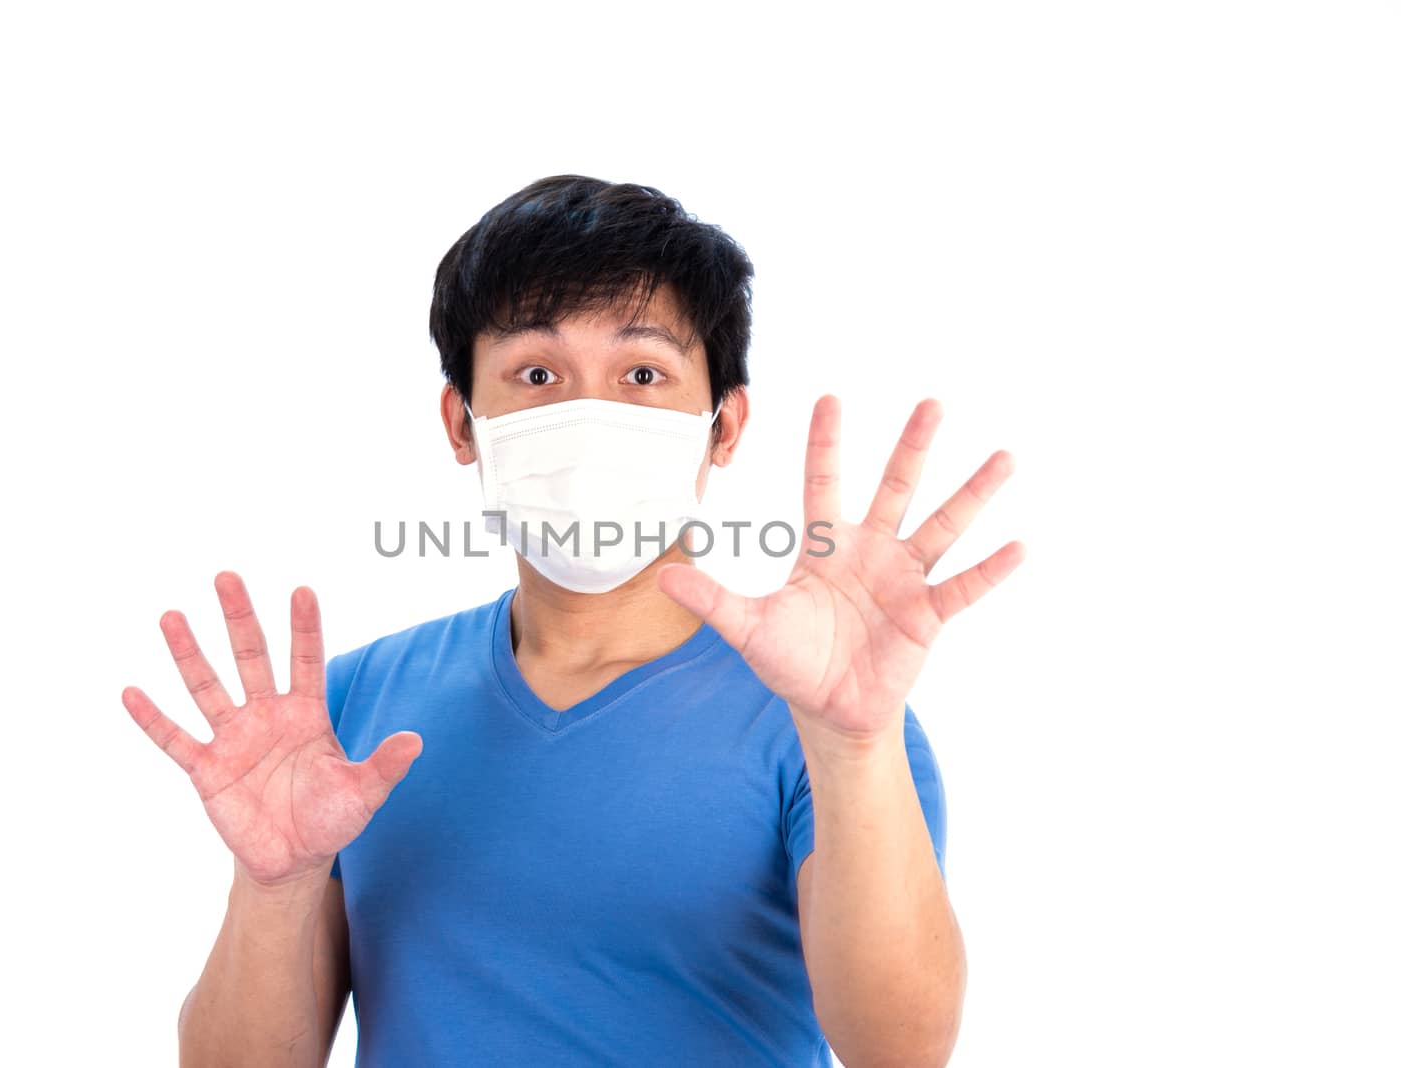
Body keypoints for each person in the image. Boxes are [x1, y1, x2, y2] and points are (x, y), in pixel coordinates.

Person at [123, 174, 1025, 1067]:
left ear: (723, 426)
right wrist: (274, 886)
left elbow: (901, 1049)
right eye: (537, 373)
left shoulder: (825, 722)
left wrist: (851, 747)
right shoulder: (350, 706)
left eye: (642, 373)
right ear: (462, 422)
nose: (588, 415)